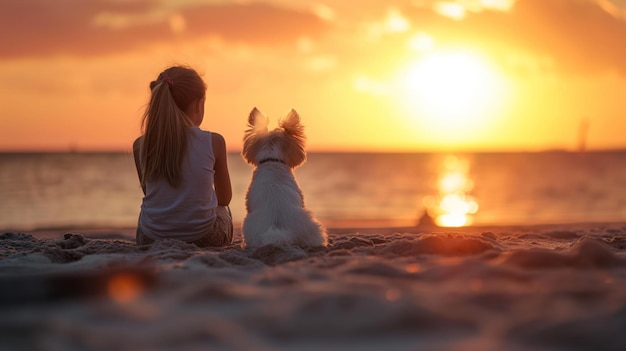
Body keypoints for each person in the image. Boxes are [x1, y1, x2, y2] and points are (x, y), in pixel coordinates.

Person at [133, 66, 233, 247]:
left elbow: (151, 193)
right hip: (204, 238)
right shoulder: (214, 141)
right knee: (224, 210)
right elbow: (224, 199)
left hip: (150, 239)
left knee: (146, 211)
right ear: (198, 104)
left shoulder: (141, 145)